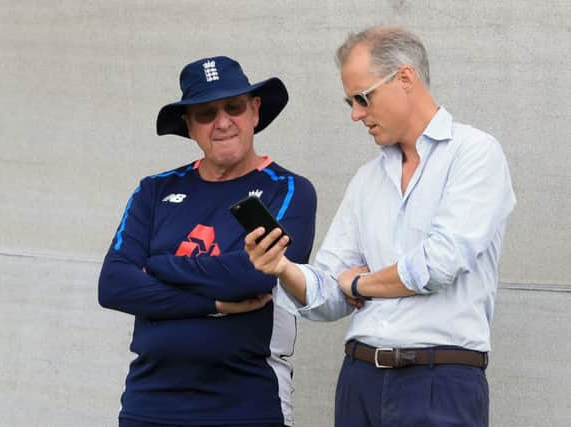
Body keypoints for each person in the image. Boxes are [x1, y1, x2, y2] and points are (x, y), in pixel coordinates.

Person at [245, 27, 516, 427]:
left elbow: (438, 264)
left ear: (405, 78)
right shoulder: (367, 179)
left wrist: (358, 285)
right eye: (350, 102)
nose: (356, 114)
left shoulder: (475, 153)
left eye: (362, 97)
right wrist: (282, 268)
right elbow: (328, 293)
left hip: (440, 379)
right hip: (359, 379)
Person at [98, 56, 317, 427]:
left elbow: (255, 276)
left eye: (234, 107)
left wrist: (159, 264)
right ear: (189, 126)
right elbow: (115, 285)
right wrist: (214, 303)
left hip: (246, 401)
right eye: (206, 113)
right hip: (150, 402)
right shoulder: (156, 190)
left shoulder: (289, 190)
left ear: (255, 112)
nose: (223, 122)